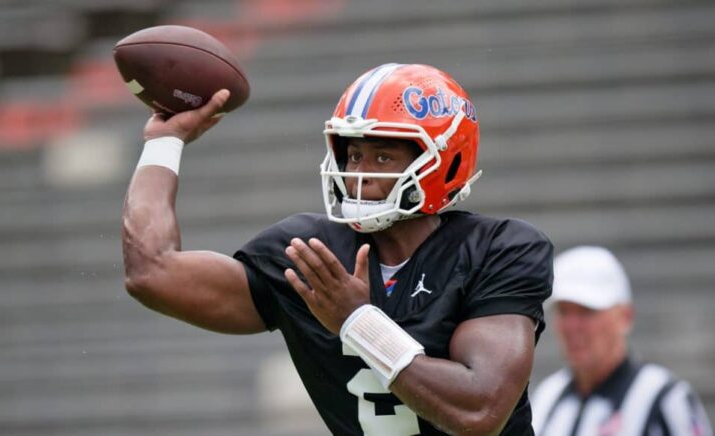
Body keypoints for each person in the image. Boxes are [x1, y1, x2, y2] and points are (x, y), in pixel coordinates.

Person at [122, 63, 553, 435]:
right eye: (354, 155)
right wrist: (164, 142)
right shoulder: (310, 252)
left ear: (446, 161)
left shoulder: (499, 249)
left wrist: (358, 323)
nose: (359, 173)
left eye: (383, 157)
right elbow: (151, 273)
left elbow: (479, 413)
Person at [531, 246, 713, 436]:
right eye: (563, 312)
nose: (572, 326)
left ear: (625, 317)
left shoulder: (665, 399)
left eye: (587, 311)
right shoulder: (546, 398)